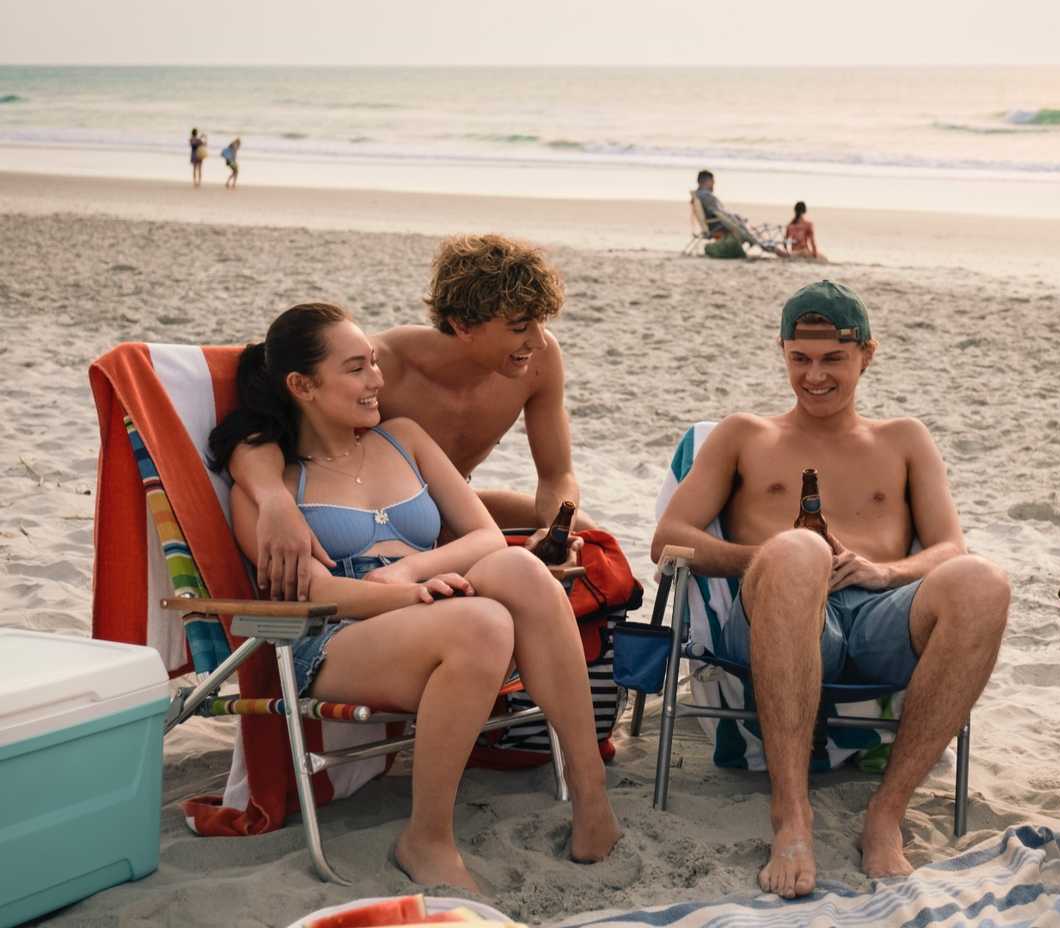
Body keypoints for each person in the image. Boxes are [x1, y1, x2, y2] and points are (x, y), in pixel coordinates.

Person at [207, 302, 621, 890]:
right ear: (302, 385)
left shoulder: (401, 438)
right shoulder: (274, 487)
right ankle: (426, 837)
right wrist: (409, 596)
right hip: (333, 637)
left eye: (374, 363)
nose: (377, 379)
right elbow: (317, 591)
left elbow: (480, 534)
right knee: (481, 622)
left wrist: (413, 575)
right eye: (356, 368)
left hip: (429, 601)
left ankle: (590, 792)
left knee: (521, 570)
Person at [652, 280, 1010, 898]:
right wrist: (769, 557)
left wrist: (886, 572)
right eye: (800, 359)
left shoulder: (902, 439)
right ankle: (792, 816)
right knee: (798, 548)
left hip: (880, 614)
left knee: (984, 581)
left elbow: (952, 545)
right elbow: (669, 540)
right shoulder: (744, 435)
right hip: (776, 614)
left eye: (833, 360)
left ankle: (886, 813)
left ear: (867, 355)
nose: (814, 376)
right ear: (783, 353)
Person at [231, 235, 597, 602]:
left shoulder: (539, 363)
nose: (540, 341)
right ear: (462, 326)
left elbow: (557, 476)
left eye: (540, 322)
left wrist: (555, 530)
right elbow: (256, 436)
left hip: (452, 506)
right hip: (382, 515)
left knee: (588, 539)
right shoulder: (380, 366)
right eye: (520, 327)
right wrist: (273, 499)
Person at [694, 170, 788, 257]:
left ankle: (772, 247)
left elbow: (719, 213)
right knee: (751, 234)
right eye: (712, 181)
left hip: (719, 224)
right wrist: (736, 224)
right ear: (706, 181)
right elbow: (720, 214)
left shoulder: (699, 195)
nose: (714, 184)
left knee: (751, 232)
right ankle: (774, 249)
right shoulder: (706, 196)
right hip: (721, 226)